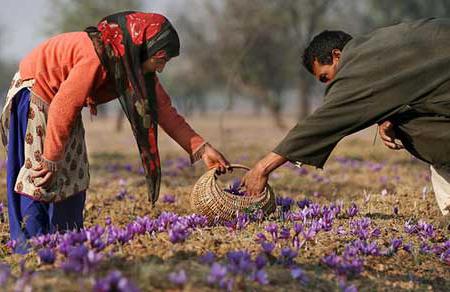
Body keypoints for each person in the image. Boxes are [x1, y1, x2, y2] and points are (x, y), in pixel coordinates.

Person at [0, 11, 229, 252]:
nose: (160, 68)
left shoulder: (133, 65)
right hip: (37, 94)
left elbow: (164, 111)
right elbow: (62, 105)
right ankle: (31, 246)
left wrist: (202, 149)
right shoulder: (96, 57)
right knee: (41, 176)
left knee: (74, 173)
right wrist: (50, 159)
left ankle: (65, 243)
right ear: (144, 48)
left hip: (60, 105)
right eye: (160, 59)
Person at [242, 18, 450, 229]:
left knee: (414, 132)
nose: (330, 86)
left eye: (325, 77)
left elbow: (321, 124)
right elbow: (412, 83)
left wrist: (262, 168)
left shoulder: (358, 65)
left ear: (337, 55)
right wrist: (388, 112)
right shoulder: (379, 45)